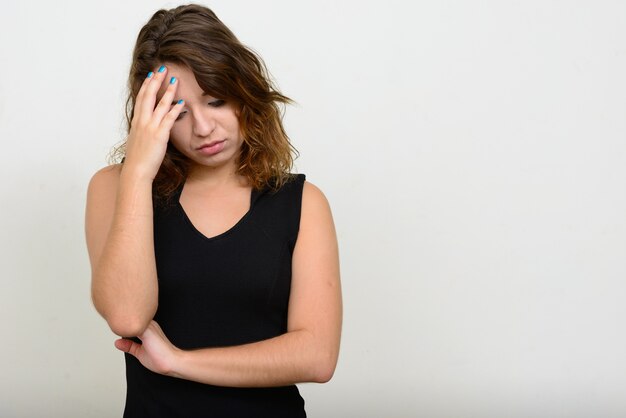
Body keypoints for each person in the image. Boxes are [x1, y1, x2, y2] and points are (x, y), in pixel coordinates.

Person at [84, 4, 342, 417]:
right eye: (178, 113)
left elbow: (317, 355)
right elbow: (128, 316)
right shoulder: (114, 187)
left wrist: (180, 363)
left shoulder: (303, 202)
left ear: (244, 92)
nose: (203, 128)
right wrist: (137, 171)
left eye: (217, 100)